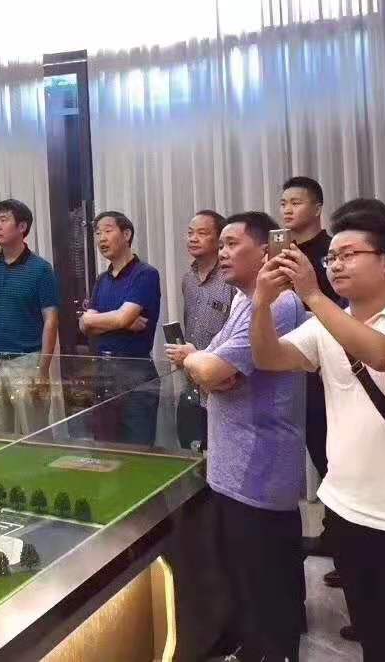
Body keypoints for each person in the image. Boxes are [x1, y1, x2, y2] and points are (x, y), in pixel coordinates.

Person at [251, 210, 385, 662]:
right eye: (330, 258)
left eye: (348, 254)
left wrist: (312, 294)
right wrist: (261, 304)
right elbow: (269, 358)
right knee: (375, 640)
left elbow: (381, 355)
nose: (335, 265)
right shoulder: (327, 323)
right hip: (345, 508)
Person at [167, 211, 308, 662]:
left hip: (259, 468)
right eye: (222, 244)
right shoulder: (244, 302)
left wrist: (198, 363)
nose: (222, 253)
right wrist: (208, 366)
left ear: (265, 251)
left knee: (266, 584)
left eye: (232, 244)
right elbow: (214, 368)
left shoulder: (277, 305)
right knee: (246, 581)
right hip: (237, 465)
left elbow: (212, 368)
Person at [280, 174, 339, 557]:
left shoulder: (331, 251)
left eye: (296, 202)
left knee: (331, 450)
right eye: (283, 203)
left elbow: (339, 309)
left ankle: (344, 540)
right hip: (288, 362)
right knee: (312, 449)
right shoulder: (281, 252)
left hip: (326, 365)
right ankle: (333, 535)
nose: (287, 209)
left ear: (317, 207)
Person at [0, 199, 59, 437]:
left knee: (34, 432)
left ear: (22, 227)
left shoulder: (41, 269)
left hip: (27, 361)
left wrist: (43, 369)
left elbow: (51, 320)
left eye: (4, 220)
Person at [78, 211, 162, 445]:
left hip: (135, 370)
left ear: (126, 234)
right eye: (97, 233)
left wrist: (102, 320)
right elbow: (85, 326)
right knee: (105, 445)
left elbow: (120, 318)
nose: (101, 238)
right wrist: (115, 321)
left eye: (107, 231)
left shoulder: (145, 274)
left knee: (137, 447)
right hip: (103, 371)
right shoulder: (102, 279)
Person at [181, 209, 233, 349]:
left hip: (222, 359)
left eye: (202, 233)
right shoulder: (188, 279)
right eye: (190, 233)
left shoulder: (231, 278)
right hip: (191, 359)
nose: (193, 239)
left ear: (219, 239)